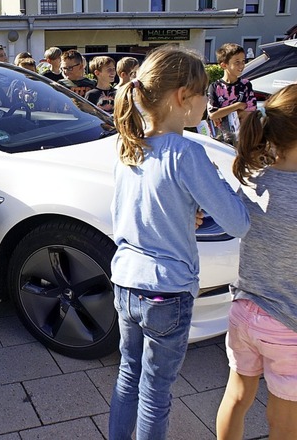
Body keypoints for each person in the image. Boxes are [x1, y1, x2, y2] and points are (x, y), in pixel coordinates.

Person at [109, 45, 250, 439]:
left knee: (127, 377)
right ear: (181, 97)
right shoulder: (188, 152)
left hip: (126, 283)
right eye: (204, 93)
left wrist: (182, 211)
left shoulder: (128, 147)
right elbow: (238, 222)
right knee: (155, 393)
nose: (207, 100)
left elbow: (130, 214)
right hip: (167, 291)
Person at [216, 84, 297, 440]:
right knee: (284, 419)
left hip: (244, 311)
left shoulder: (250, 178)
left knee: (236, 394)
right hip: (287, 323)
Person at [207, 43, 257, 145]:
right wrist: (237, 106)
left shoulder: (246, 85)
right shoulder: (215, 87)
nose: (241, 65)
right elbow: (213, 114)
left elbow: (250, 111)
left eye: (243, 61)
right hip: (220, 140)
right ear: (224, 65)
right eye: (237, 62)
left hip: (242, 138)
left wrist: (223, 113)